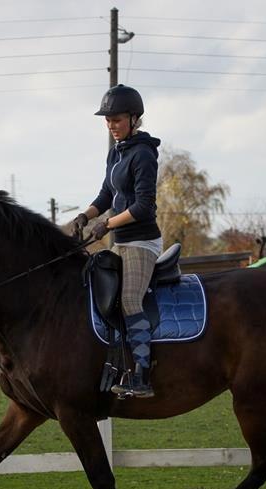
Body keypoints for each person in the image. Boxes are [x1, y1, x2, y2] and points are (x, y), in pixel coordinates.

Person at [67, 84, 162, 399]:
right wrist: (86, 215)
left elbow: (143, 207)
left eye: (117, 119)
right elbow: (107, 194)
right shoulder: (116, 152)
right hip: (120, 242)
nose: (111, 125)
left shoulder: (144, 154)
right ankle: (113, 362)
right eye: (107, 120)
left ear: (134, 118)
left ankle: (142, 376)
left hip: (142, 242)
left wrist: (105, 224)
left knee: (131, 300)